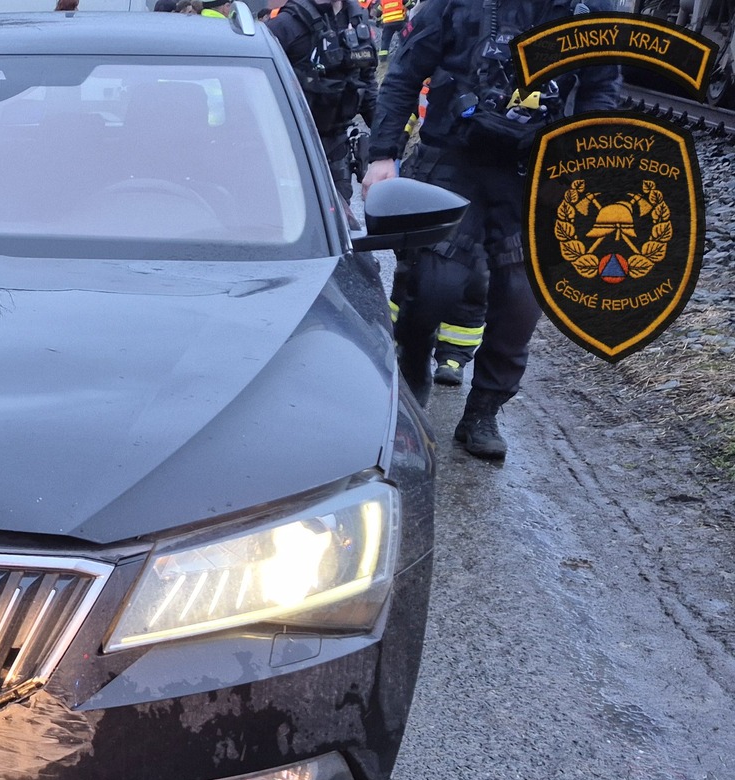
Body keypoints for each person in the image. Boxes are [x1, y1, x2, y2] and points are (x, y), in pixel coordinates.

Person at [363, 0, 621, 460]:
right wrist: (383, 154)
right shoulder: (453, 5)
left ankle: (483, 411)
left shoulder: (593, 11)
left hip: (533, 169)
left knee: (521, 297)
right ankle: (413, 360)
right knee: (436, 282)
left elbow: (601, 88)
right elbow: (404, 73)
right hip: (453, 157)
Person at [262, 0, 379, 198]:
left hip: (337, 144)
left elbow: (367, 82)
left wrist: (384, 141)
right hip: (291, 148)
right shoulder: (285, 25)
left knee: (340, 209)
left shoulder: (357, 19)